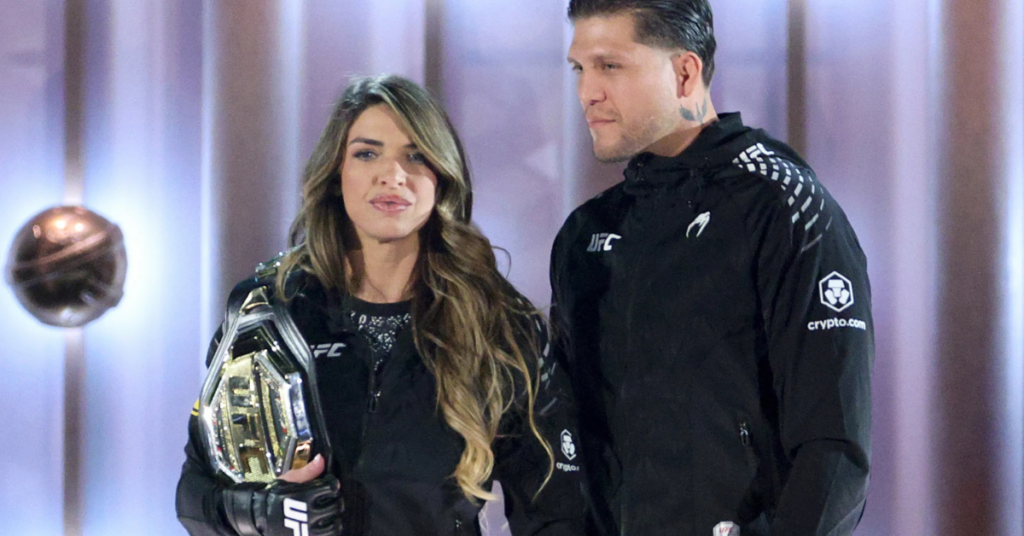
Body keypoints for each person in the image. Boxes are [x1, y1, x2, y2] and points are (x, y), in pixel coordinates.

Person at [176, 75, 585, 536]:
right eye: (367, 153)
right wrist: (260, 512)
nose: (392, 175)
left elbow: (558, 513)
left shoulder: (501, 326)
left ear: (442, 177)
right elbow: (194, 492)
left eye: (415, 156)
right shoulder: (270, 313)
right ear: (336, 174)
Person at [550, 1, 874, 535]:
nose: (588, 92)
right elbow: (564, 442)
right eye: (579, 69)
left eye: (610, 66)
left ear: (684, 73)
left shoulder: (786, 207)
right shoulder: (585, 236)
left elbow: (834, 452)